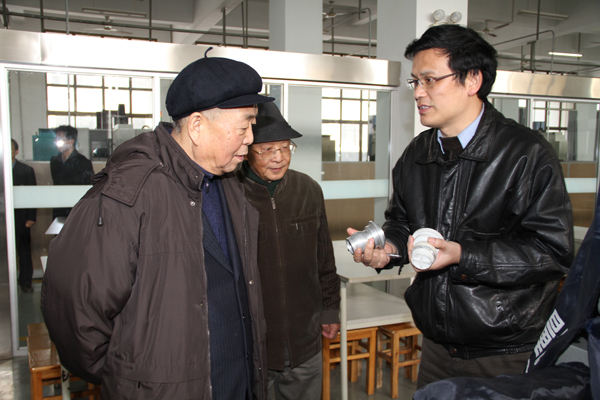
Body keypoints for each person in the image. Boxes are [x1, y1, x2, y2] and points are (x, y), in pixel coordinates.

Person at [349, 24, 574, 388]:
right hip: (436, 348)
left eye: (430, 80)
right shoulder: (417, 153)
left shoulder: (525, 154)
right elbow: (402, 223)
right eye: (415, 82)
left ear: (472, 80)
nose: (418, 92)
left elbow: (551, 252)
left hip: (505, 352)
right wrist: (388, 249)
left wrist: (462, 255)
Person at [41, 55, 274, 399]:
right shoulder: (129, 193)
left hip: (236, 383)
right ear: (197, 126)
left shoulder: (231, 185)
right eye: (244, 127)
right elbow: (73, 306)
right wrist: (130, 375)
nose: (251, 138)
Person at [238, 102, 340, 399]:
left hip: (304, 340)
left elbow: (324, 259)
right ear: (247, 150)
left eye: (285, 148)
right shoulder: (231, 193)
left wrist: (330, 310)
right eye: (267, 149)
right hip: (253, 345)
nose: (279, 157)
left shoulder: (308, 190)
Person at [50, 125, 94, 219]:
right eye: (56, 139)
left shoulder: (83, 162)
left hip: (76, 209)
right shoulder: (54, 161)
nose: (57, 142)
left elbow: (88, 188)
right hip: (59, 207)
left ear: (71, 141)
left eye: (60, 140)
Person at [11, 139, 37, 293]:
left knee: (24, 251)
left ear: (16, 151)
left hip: (21, 218)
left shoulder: (26, 170)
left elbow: (32, 196)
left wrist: (31, 217)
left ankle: (26, 282)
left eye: (11, 149)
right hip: (3, 219)